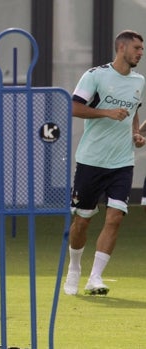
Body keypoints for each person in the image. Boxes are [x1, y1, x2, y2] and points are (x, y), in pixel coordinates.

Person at [63, 30, 145, 296]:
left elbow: (134, 110)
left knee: (115, 218)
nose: (140, 53)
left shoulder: (139, 81)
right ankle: (74, 268)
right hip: (91, 161)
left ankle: (95, 277)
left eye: (142, 49)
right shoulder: (95, 75)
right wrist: (105, 113)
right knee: (83, 221)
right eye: (136, 48)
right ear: (121, 48)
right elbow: (73, 108)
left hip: (122, 162)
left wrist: (136, 133)